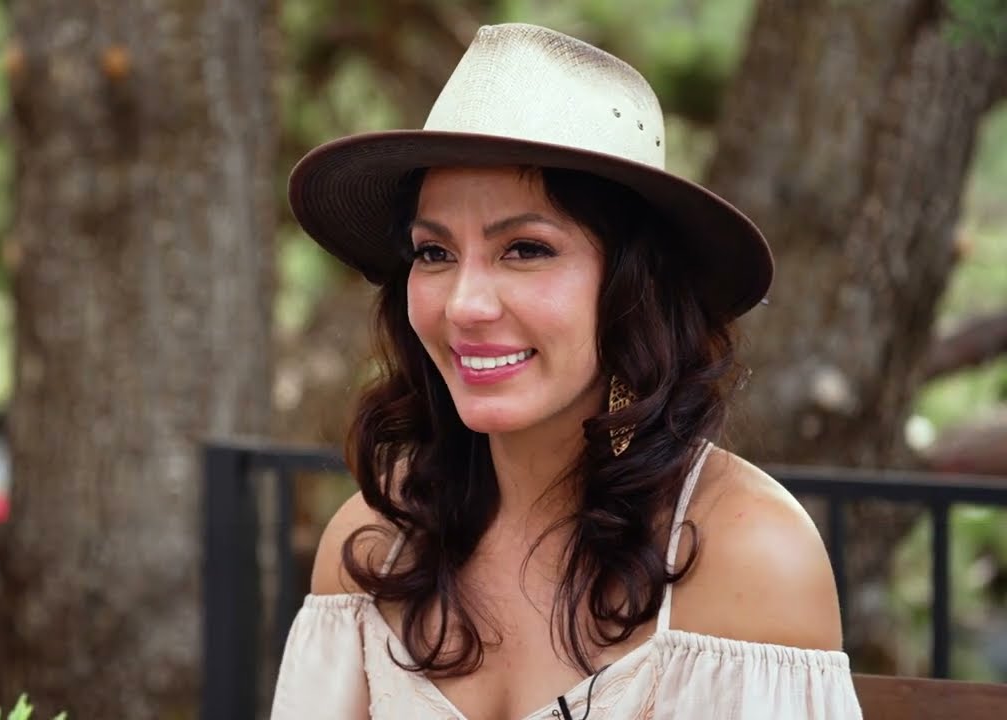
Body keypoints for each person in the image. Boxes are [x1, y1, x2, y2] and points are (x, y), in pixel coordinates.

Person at [271, 22, 863, 720]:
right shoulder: (374, 541)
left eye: (524, 249)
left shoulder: (751, 559)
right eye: (434, 253)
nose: (465, 303)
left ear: (634, 286)